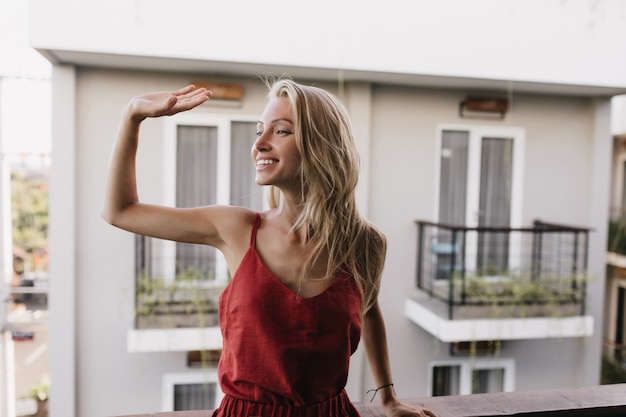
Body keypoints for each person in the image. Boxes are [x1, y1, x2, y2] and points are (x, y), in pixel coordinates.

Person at [102, 79, 437, 417]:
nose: (259, 144)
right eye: (259, 131)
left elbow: (369, 309)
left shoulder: (365, 242)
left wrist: (389, 399)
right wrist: (133, 116)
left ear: (321, 144)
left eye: (281, 132)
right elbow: (121, 211)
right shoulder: (236, 229)